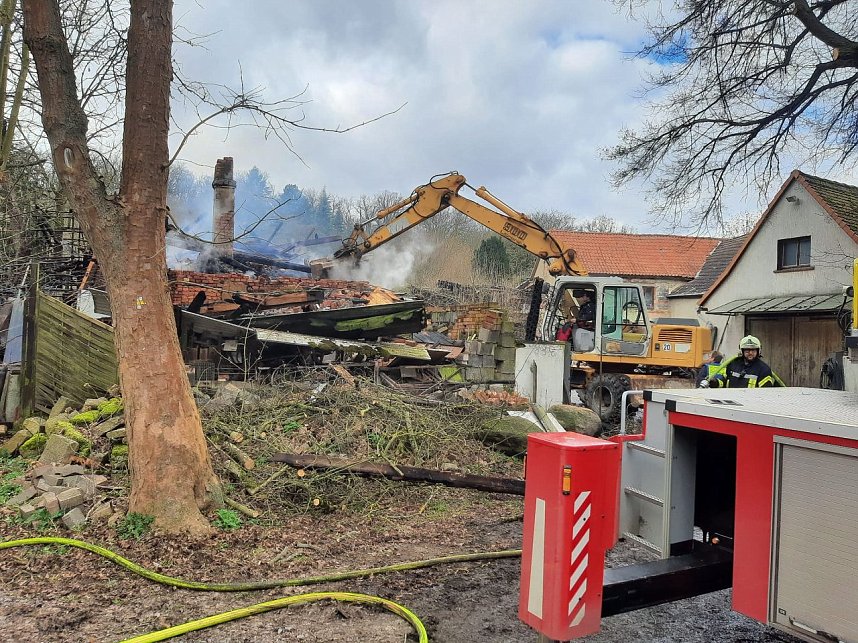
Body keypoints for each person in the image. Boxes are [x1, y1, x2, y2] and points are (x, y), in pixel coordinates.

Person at [704, 336, 783, 388]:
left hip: (750, 407)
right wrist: (715, 382)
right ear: (741, 351)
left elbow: (765, 394)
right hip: (732, 404)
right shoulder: (733, 364)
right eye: (747, 350)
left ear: (759, 351)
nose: (750, 353)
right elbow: (724, 380)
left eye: (753, 350)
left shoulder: (763, 370)